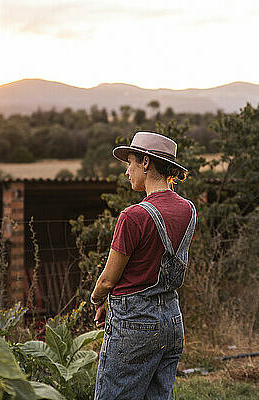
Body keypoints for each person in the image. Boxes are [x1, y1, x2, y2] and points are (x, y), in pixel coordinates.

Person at [90, 131, 197, 400]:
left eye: (131, 162)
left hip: (135, 324)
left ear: (146, 164)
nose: (127, 171)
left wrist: (97, 300)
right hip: (172, 320)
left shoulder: (133, 216)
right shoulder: (188, 210)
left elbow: (107, 280)